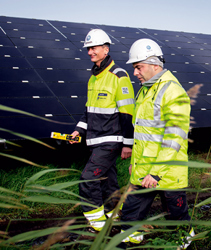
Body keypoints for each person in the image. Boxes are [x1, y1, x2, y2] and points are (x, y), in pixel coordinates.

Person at [120, 38, 193, 248]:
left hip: (166, 170)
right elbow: (142, 132)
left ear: (154, 64)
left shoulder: (173, 91)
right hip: (144, 167)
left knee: (176, 213)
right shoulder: (145, 90)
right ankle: (130, 239)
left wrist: (156, 172)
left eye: (138, 67)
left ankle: (186, 239)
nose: (135, 73)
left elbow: (174, 136)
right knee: (131, 211)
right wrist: (136, 162)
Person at [70, 29, 135, 232]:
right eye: (88, 48)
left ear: (105, 49)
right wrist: (78, 131)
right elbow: (89, 110)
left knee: (88, 179)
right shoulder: (93, 77)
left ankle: (97, 224)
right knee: (108, 181)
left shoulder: (119, 76)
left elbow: (127, 113)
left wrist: (127, 143)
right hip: (95, 139)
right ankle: (116, 216)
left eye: (94, 48)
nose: (90, 52)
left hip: (110, 140)